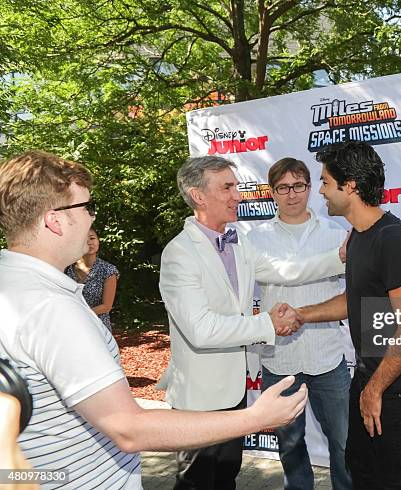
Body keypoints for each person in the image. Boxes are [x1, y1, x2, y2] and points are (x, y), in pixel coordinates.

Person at [0, 150, 309, 490]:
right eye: (86, 208)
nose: (91, 220)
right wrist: (256, 418)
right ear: (54, 220)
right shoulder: (50, 306)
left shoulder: (16, 285)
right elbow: (128, 427)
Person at [159, 155, 346, 490]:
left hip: (234, 391)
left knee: (226, 477)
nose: (237, 195)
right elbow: (202, 330)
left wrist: (339, 257)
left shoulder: (239, 242)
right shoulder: (180, 253)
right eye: (227, 187)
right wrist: (267, 325)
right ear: (199, 195)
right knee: (197, 481)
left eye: (236, 186)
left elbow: (284, 271)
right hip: (200, 397)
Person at [296, 141, 401, 490]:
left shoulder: (392, 238)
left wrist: (375, 389)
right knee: (361, 471)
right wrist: (300, 314)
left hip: (398, 390)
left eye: (326, 182)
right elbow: (352, 300)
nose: (322, 191)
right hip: (370, 378)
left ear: (351, 186)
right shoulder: (358, 235)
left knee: (390, 481)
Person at [247, 158, 352, 490]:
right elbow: (287, 272)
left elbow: (354, 290)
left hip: (327, 355)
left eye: (298, 186)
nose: (291, 195)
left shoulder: (337, 232)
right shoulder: (254, 239)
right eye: (283, 188)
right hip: (280, 359)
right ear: (272, 193)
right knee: (290, 445)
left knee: (345, 444)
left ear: (310, 188)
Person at [65, 228, 119, 331]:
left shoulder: (108, 270)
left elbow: (106, 306)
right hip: (71, 326)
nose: (89, 242)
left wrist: (80, 314)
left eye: (92, 238)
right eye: (84, 239)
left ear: (98, 241)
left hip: (98, 328)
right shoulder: (67, 269)